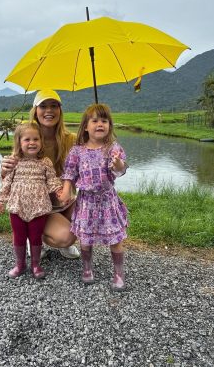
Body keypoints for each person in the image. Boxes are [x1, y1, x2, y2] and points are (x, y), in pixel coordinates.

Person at [0, 90, 80, 259]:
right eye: (43, 106)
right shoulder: (29, 138)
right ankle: (33, 236)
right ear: (35, 110)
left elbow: (85, 170)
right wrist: (4, 170)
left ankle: (55, 232)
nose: (49, 110)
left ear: (60, 110)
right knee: (66, 236)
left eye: (54, 106)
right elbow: (12, 175)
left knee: (93, 215)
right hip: (39, 207)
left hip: (66, 200)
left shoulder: (72, 140)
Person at [58, 103, 129, 291]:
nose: (100, 124)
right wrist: (66, 190)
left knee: (115, 239)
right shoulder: (77, 151)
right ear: (86, 127)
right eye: (95, 120)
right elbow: (69, 173)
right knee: (86, 239)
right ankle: (87, 269)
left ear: (109, 126)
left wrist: (119, 165)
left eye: (104, 121)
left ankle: (118, 273)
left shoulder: (113, 148)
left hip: (107, 201)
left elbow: (121, 170)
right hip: (86, 202)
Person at [0, 122, 63, 280]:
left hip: (39, 206)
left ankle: (35, 264)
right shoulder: (14, 161)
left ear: (41, 141)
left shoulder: (45, 162)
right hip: (17, 206)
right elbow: (7, 183)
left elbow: (52, 180)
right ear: (19, 142)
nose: (32, 143)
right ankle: (20, 264)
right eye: (27, 139)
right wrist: (0, 200)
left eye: (36, 139)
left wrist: (59, 191)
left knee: (35, 236)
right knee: (18, 235)